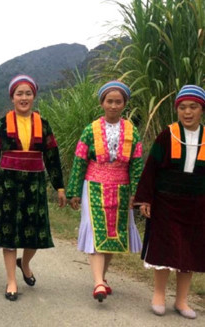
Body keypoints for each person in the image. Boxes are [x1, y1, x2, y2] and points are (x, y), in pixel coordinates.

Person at [0, 75, 66, 301]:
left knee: (35, 234)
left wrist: (59, 187)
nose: (24, 97)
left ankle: (24, 263)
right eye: (19, 93)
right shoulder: (2, 124)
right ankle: (11, 281)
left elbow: (52, 157)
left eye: (28, 93)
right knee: (8, 234)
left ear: (34, 96)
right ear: (12, 97)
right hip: (8, 183)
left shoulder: (44, 125)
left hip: (34, 186)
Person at [66, 80, 143, 302]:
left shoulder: (132, 132)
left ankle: (102, 277)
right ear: (102, 103)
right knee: (96, 230)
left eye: (118, 102)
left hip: (121, 187)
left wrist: (136, 193)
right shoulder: (90, 130)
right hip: (94, 186)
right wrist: (73, 191)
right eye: (109, 101)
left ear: (124, 104)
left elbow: (136, 163)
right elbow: (80, 160)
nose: (114, 105)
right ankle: (98, 282)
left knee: (113, 235)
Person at [135, 85, 205, 319]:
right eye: (183, 107)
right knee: (163, 251)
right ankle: (158, 296)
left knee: (189, 253)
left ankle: (182, 301)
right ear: (177, 110)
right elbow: (151, 169)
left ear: (201, 110)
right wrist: (145, 198)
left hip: (197, 206)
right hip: (166, 203)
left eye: (193, 107)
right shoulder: (168, 134)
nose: (187, 112)